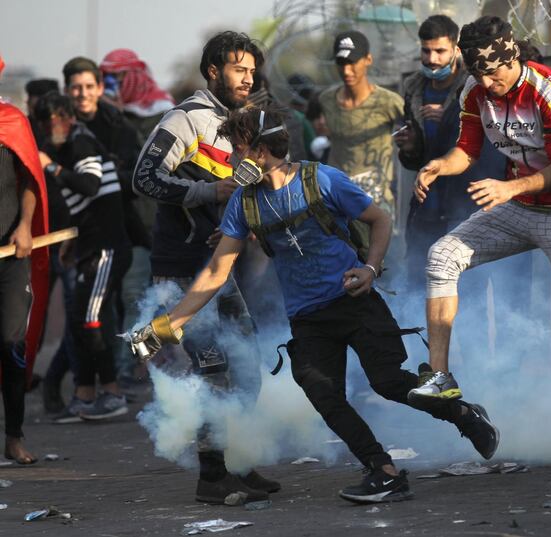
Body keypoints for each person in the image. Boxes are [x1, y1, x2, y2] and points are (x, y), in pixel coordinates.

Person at [129, 106, 499, 504]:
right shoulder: (243, 203)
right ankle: (384, 471)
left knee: (388, 382)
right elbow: (216, 273)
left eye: (237, 149)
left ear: (261, 149)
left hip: (355, 303)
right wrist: (167, 326)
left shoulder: (321, 180)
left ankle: (463, 415)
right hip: (307, 319)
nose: (232, 160)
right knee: (325, 397)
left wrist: (371, 268)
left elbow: (380, 220)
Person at [408, 16, 551, 404]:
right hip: (516, 207)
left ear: (511, 60)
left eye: (492, 75)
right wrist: (440, 165)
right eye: (478, 75)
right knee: (442, 257)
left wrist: (509, 186)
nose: (485, 85)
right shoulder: (474, 91)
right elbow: (468, 150)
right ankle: (441, 375)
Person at [132, 31, 275, 505]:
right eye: (239, 69)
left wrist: (245, 217)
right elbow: (145, 177)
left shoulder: (240, 121)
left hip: (220, 266)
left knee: (248, 367)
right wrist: (205, 194)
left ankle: (237, 463)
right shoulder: (186, 119)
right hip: (181, 267)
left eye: (252, 71)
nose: (248, 78)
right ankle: (212, 478)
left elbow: (246, 184)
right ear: (213, 71)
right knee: (214, 371)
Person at [33, 93, 132, 423]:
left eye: (55, 119)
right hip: (88, 247)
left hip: (107, 248)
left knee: (92, 319)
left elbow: (90, 186)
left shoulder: (80, 142)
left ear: (68, 117)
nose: (50, 127)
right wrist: (70, 237)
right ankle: (85, 395)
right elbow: (82, 204)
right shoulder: (64, 146)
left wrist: (52, 166)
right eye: (45, 122)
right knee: (78, 320)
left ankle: (113, 393)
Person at [396, 14, 505, 293]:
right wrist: (409, 148)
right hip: (427, 206)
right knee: (419, 286)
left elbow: (483, 147)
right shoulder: (413, 89)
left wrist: (451, 118)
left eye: (440, 51)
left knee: (464, 291)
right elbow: (418, 158)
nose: (432, 59)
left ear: (456, 50)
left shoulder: (472, 88)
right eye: (426, 50)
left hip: (464, 204)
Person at [0, 55, 49, 464]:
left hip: (10, 254)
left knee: (11, 343)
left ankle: (13, 435)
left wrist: (25, 227)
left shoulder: (11, 121)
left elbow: (30, 179)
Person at [63, 57, 149, 250]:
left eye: (89, 86)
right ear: (66, 90)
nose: (83, 94)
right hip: (71, 229)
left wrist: (95, 179)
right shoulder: (59, 129)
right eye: (76, 87)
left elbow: (137, 176)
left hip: (121, 225)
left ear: (100, 88)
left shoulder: (120, 126)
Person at [318, 30, 404, 219]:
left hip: (375, 195)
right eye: (341, 63)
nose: (347, 71)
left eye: (352, 62)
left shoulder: (388, 101)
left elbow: (413, 133)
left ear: (368, 59)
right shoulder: (327, 100)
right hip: (336, 193)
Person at [99, 48, 175, 142]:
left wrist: (120, 118)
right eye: (106, 75)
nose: (109, 81)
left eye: (116, 75)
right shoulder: (103, 110)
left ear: (134, 76)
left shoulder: (163, 112)